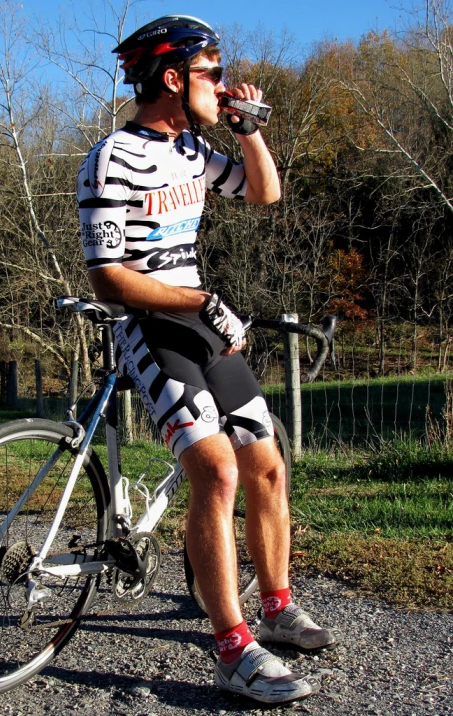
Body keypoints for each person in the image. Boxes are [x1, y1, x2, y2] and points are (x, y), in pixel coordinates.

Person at [77, 14, 340, 707]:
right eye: (212, 73)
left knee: (265, 458)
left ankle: (277, 605)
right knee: (217, 469)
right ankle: (230, 650)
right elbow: (108, 276)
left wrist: (247, 127)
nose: (223, 84)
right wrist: (196, 301)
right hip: (150, 325)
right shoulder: (113, 157)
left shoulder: (195, 150)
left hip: (201, 321)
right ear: (173, 79)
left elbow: (264, 193)